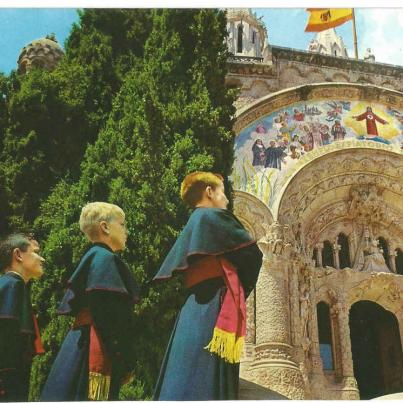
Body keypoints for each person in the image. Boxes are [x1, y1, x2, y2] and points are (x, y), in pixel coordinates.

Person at [153, 172, 263, 400]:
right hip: (215, 305)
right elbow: (253, 255)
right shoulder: (215, 217)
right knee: (208, 376)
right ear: (209, 192)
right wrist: (241, 287)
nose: (226, 200)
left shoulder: (192, 223)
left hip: (191, 310)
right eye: (222, 192)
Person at [41, 202, 140, 401]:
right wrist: (126, 360)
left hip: (78, 346)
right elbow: (112, 318)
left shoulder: (92, 257)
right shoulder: (105, 259)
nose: (126, 231)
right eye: (122, 224)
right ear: (105, 227)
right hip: (95, 348)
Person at [0, 233, 45, 401]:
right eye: (35, 252)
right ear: (18, 254)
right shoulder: (13, 286)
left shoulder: (7, 285)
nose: (42, 259)